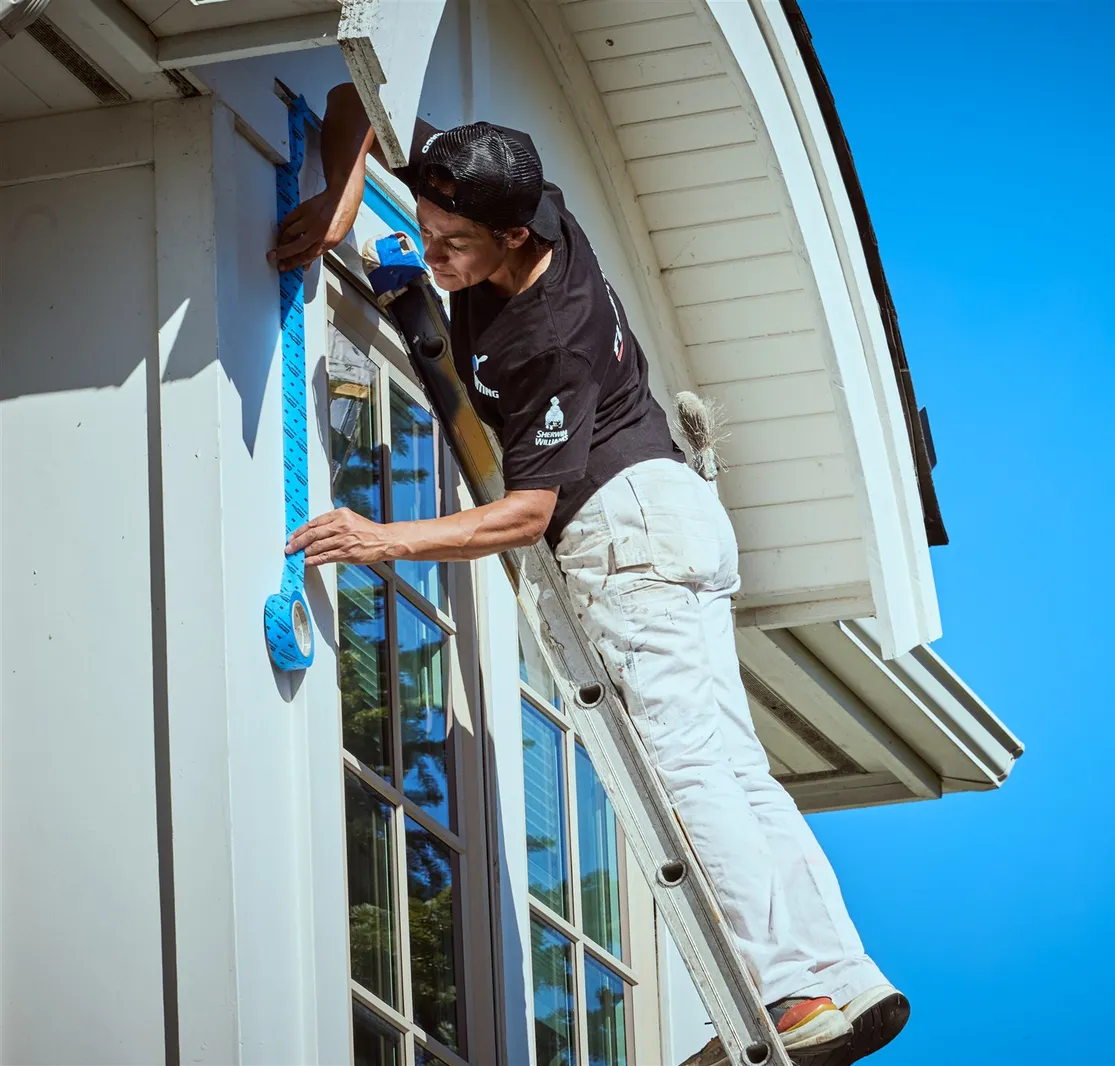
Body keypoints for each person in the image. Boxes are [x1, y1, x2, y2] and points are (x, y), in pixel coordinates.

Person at [271, 83, 910, 1066]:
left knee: (687, 769)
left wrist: (381, 540)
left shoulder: (548, 337)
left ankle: (784, 994)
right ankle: (841, 978)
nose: (434, 255)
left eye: (452, 246)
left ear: (517, 236)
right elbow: (358, 87)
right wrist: (341, 197)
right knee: (733, 762)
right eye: (429, 231)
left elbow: (527, 513)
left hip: (626, 530)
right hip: (674, 511)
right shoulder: (489, 179)